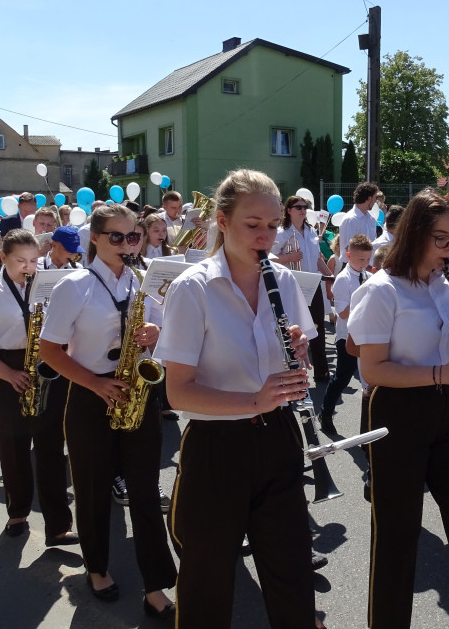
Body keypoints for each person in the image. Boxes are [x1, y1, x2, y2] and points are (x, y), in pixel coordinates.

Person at [155, 169, 317, 629]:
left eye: (272, 225)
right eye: (253, 225)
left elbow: (294, 358)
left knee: (291, 573)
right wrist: (255, 400)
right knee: (208, 580)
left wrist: (298, 354)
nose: (266, 236)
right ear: (223, 222)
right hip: (216, 447)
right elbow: (178, 390)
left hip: (278, 439)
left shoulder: (284, 281)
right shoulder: (194, 288)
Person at [347, 189, 449, 629]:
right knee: (397, 539)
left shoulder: (446, 282)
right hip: (399, 415)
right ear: (414, 234)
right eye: (441, 238)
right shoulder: (382, 290)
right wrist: (442, 373)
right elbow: (374, 370)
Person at [38, 204, 176, 617]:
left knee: (146, 493)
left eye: (131, 236)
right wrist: (96, 383)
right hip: (89, 394)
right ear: (94, 239)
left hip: (136, 390)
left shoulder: (141, 281)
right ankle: (96, 568)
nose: (125, 244)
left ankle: (156, 584)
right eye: (115, 236)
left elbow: (159, 334)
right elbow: (49, 351)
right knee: (93, 490)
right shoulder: (73, 285)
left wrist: (155, 333)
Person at [0, 229, 77, 545]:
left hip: (46, 368)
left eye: (34, 260)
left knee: (51, 450)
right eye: (20, 260)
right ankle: (18, 513)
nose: (28, 267)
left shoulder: (50, 287)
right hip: (4, 370)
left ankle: (58, 526)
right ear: (3, 258)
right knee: (13, 447)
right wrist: (9, 374)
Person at [272, 195, 334, 383]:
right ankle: (293, 373)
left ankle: (322, 371)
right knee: (292, 327)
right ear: (289, 210)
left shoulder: (312, 232)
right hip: (291, 284)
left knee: (317, 327)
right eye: (298, 207)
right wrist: (288, 259)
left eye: (304, 207)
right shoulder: (281, 233)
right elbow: (269, 258)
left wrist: (331, 276)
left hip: (312, 283)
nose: (303, 210)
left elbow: (317, 259)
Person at [318, 233, 372, 436]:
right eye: (360, 259)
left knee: (370, 379)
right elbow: (342, 313)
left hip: (367, 336)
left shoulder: (368, 276)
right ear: (348, 255)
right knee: (343, 376)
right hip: (347, 336)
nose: (365, 264)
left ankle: (369, 425)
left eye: (368, 259)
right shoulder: (342, 279)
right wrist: (365, 296)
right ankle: (325, 413)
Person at [337, 181, 379, 267]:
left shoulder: (371, 219)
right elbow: (349, 248)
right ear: (369, 198)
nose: (376, 201)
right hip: (352, 267)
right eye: (375, 197)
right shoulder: (350, 219)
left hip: (367, 267)